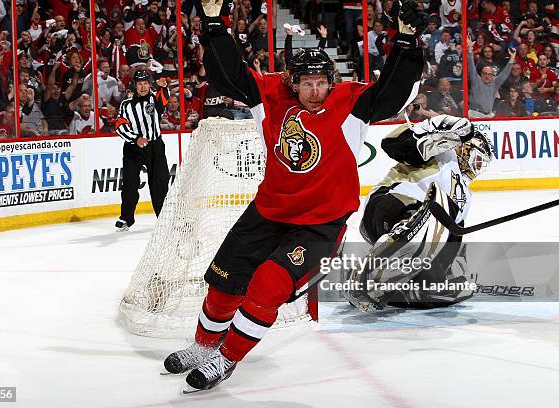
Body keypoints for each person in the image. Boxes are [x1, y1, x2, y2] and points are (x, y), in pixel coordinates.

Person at [162, 0, 427, 392]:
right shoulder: (270, 96)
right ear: (292, 81)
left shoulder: (351, 103)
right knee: (223, 284)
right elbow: (228, 74)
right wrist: (215, 25)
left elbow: (393, 92)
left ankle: (227, 358)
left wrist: (407, 43)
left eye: (321, 82)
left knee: (268, 285)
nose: (315, 91)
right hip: (268, 212)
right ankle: (203, 346)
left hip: (320, 224)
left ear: (331, 81)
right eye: (306, 83)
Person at [347, 115, 493, 310]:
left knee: (431, 287)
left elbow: (453, 235)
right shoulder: (444, 153)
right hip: (390, 205)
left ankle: (380, 278)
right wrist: (432, 128)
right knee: (436, 209)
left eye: (483, 164)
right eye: (478, 159)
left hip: (424, 231)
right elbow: (392, 144)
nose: (478, 167)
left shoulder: (466, 196)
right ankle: (368, 275)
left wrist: (445, 273)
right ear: (465, 148)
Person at [114, 70, 170, 231]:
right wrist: (135, 138)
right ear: (134, 86)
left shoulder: (154, 98)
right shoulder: (126, 105)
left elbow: (163, 101)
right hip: (133, 148)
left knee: (159, 183)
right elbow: (120, 125)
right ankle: (126, 218)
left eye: (146, 83)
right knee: (130, 184)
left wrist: (163, 87)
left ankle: (164, 218)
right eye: (140, 84)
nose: (143, 86)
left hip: (155, 147)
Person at [467, 38, 515, 117]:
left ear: (493, 76)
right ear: (481, 74)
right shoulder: (476, 80)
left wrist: (512, 58)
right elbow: (471, 66)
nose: (487, 76)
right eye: (485, 73)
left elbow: (505, 73)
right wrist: (469, 49)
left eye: (489, 74)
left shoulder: (495, 83)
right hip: (474, 114)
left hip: (488, 116)